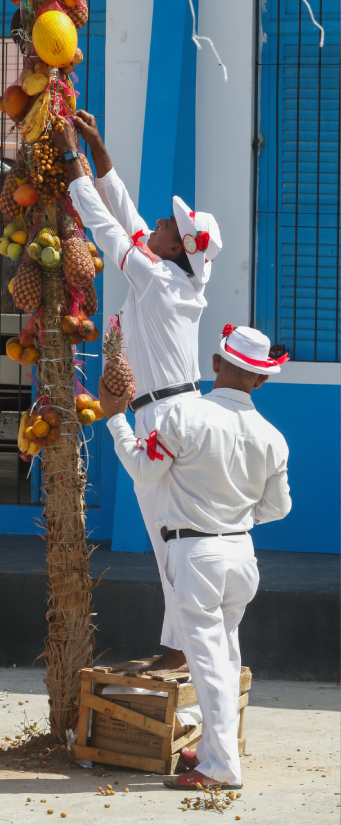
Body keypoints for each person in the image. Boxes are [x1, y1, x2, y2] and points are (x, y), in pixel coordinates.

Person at [51, 113, 222, 675]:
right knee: (168, 535)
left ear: (177, 251)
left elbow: (108, 228)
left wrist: (73, 161)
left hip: (162, 417)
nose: (160, 224)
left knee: (168, 537)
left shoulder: (158, 277)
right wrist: (98, 148)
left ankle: (179, 648)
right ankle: (177, 644)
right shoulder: (172, 276)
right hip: (167, 411)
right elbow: (126, 217)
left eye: (171, 227)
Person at [97, 325, 291, 789]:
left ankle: (221, 767)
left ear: (215, 364)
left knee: (208, 663)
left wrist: (115, 418)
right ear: (260, 380)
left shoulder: (185, 414)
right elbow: (279, 508)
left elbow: (144, 471)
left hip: (197, 551)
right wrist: (235, 518)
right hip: (241, 552)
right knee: (222, 655)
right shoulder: (272, 436)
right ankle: (210, 752)